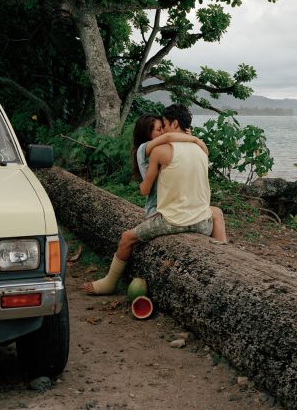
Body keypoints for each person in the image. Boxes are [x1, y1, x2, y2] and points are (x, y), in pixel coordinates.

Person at [83, 104, 222, 295]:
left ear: (173, 123)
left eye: (164, 125)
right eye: (160, 128)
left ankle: (110, 283)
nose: (163, 130)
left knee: (126, 238)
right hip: (203, 222)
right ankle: (223, 259)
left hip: (172, 221)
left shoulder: (160, 151)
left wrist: (144, 185)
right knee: (216, 212)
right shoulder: (201, 149)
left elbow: (145, 189)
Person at [131, 115, 227, 243]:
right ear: (146, 133)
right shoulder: (144, 148)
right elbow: (168, 137)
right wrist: (194, 139)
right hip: (159, 208)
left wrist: (189, 140)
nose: (163, 132)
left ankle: (221, 251)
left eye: (163, 128)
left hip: (174, 205)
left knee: (216, 213)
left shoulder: (164, 149)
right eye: (159, 129)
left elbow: (202, 155)